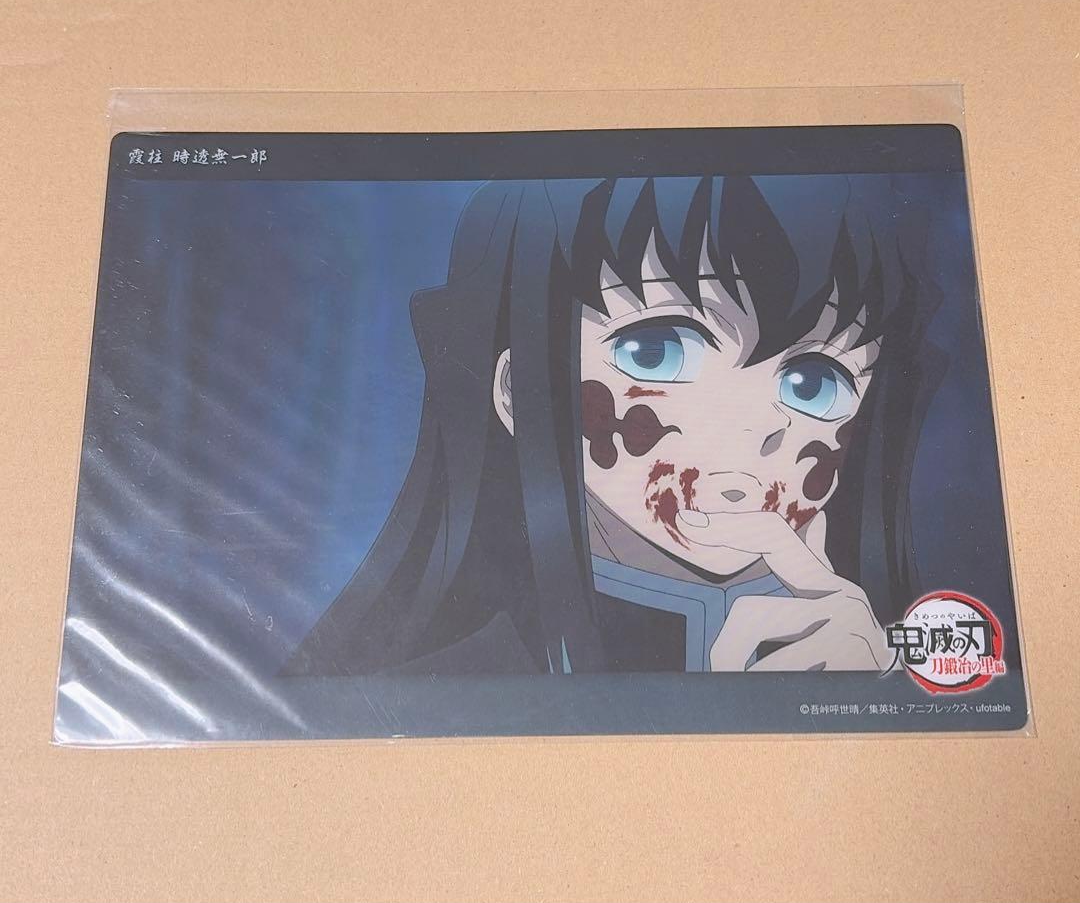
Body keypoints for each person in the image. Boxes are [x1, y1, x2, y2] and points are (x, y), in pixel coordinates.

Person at [283, 174, 943, 676]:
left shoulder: (886, 658)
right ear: (516, 388)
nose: (747, 429)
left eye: (813, 382)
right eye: (658, 351)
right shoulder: (430, 687)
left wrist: (880, 693)